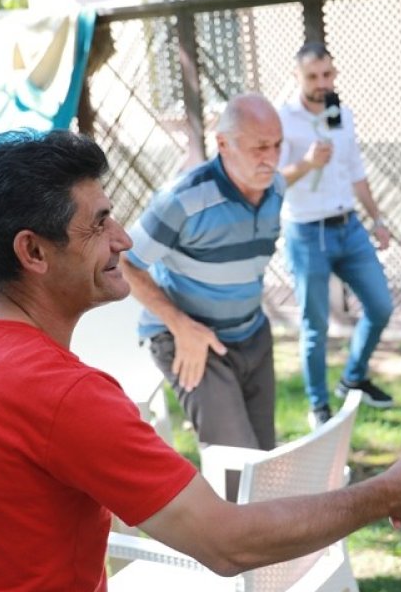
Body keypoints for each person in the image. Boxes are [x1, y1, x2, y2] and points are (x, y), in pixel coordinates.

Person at [0, 127, 401, 591]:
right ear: (33, 251)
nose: (124, 241)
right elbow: (227, 543)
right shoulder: (66, 395)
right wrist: (388, 493)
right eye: (99, 224)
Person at [119, 94, 284, 500]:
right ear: (223, 144)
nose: (272, 158)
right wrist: (180, 326)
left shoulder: (275, 188)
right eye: (259, 146)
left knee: (263, 462)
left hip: (252, 333)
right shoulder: (182, 199)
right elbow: (124, 261)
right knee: (236, 467)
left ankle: (267, 556)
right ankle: (233, 554)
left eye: (278, 144)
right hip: (191, 339)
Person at [276, 42, 396, 428]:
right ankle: (318, 405)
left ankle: (353, 377)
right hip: (306, 231)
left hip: (349, 227)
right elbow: (274, 179)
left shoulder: (341, 113)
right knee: (316, 326)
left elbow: (356, 170)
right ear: (298, 76)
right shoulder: (282, 118)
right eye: (313, 76)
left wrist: (376, 219)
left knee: (380, 307)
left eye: (327, 74)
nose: (321, 83)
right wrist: (308, 163)